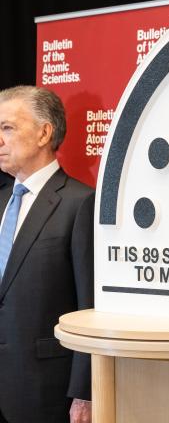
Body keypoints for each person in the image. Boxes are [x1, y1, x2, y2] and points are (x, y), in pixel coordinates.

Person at [0, 86, 94, 423]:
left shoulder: (79, 203)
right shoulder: (2, 200)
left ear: (44, 133)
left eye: (7, 128)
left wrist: (85, 392)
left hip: (44, 390)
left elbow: (90, 308)